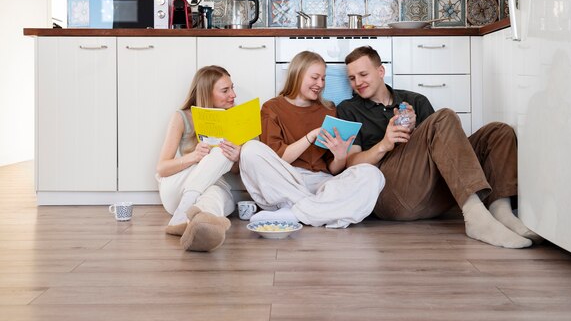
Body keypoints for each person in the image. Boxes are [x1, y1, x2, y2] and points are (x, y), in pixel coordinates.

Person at [336, 46, 542, 248]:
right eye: (352, 78)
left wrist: (417, 131)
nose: (358, 83)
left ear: (381, 71)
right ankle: (476, 217)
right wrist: (385, 144)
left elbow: (442, 150)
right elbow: (351, 164)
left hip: (434, 194)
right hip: (390, 197)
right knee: (443, 117)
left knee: (499, 132)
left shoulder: (415, 101)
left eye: (363, 74)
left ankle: (501, 211)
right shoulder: (348, 109)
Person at [239, 51, 385, 228]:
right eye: (315, 78)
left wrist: (339, 156)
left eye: (323, 79)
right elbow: (278, 158)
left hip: (322, 183)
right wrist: (311, 136)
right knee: (250, 149)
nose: (320, 84)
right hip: (286, 181)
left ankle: (292, 213)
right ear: (297, 75)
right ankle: (320, 210)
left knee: (372, 174)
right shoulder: (272, 107)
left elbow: (333, 169)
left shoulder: (329, 109)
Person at [155, 65, 240, 252]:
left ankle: (200, 227)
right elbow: (162, 168)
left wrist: (236, 158)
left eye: (232, 88)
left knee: (221, 197)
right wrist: (194, 156)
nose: (233, 94)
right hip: (177, 191)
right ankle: (183, 212)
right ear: (206, 93)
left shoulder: (234, 120)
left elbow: (233, 171)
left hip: (209, 188)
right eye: (225, 90)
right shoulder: (181, 117)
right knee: (219, 151)